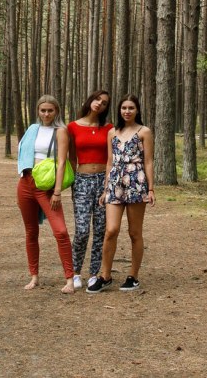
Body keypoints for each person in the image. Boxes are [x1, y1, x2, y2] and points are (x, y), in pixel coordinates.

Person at [86, 95, 155, 293]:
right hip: (115, 183)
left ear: (137, 110)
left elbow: (148, 161)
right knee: (111, 230)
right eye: (124, 107)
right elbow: (109, 162)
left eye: (131, 108)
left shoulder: (144, 132)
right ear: (119, 110)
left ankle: (133, 276)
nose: (127, 111)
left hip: (136, 182)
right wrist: (106, 188)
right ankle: (105, 275)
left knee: (134, 232)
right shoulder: (112, 132)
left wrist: (151, 188)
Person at [16, 95, 75, 294]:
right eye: (43, 110)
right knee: (31, 231)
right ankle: (34, 276)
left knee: (60, 231)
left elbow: (61, 163)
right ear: (38, 111)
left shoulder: (61, 132)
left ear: (56, 111)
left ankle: (69, 278)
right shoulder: (32, 129)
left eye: (50, 110)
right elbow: (24, 153)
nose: (46, 114)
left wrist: (57, 192)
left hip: (47, 187)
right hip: (26, 182)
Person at [65, 90, 112, 290]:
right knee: (82, 230)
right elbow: (71, 157)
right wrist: (72, 182)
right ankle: (76, 272)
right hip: (82, 180)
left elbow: (111, 159)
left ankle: (94, 273)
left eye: (104, 103)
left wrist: (108, 186)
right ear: (90, 100)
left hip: (103, 180)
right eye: (97, 100)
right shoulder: (73, 127)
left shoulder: (109, 128)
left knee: (100, 229)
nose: (99, 104)